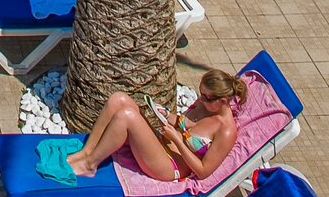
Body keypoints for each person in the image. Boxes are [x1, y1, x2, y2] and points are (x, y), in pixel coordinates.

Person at [66, 69, 248, 181]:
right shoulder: (205, 105)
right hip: (161, 146)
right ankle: (87, 152)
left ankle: (90, 165)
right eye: (201, 93)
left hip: (169, 166)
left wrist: (176, 140)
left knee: (126, 116)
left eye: (206, 97)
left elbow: (203, 171)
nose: (200, 99)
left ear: (223, 101)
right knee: (118, 100)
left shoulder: (225, 132)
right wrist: (166, 115)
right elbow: (186, 124)